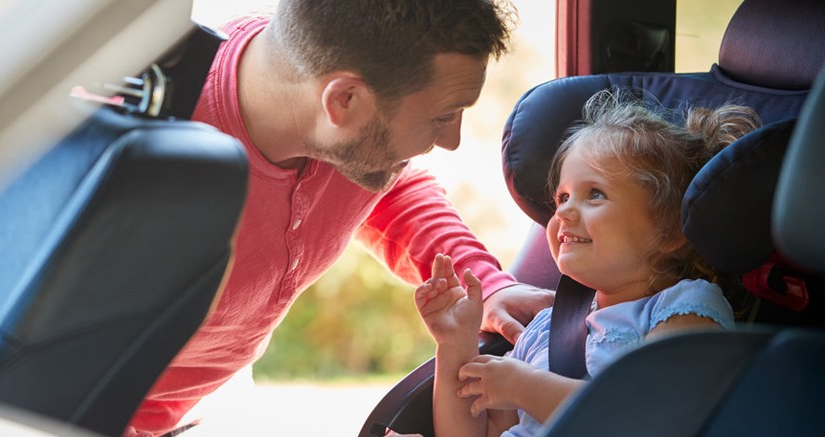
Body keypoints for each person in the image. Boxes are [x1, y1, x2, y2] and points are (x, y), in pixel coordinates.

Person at [124, 1, 556, 435]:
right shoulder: (133, 156)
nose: (453, 140)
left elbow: (391, 189)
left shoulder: (340, 124)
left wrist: (482, 282)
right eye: (442, 117)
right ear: (344, 100)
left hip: (211, 401)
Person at [410, 89, 762, 437]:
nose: (562, 211)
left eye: (595, 194)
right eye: (562, 196)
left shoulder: (685, 307)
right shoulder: (544, 329)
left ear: (670, 230)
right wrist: (455, 344)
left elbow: (647, 417)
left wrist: (524, 386)